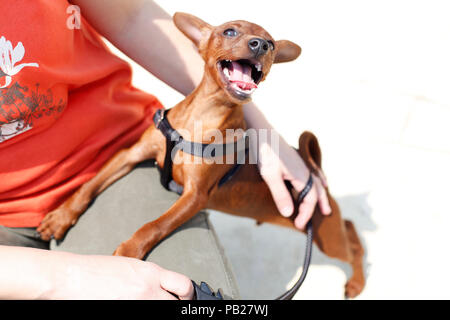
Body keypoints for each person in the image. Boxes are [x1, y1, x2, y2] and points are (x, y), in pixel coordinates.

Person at [0, 0, 331, 299]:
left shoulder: (171, 133)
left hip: (112, 149)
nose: (257, 46)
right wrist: (64, 279)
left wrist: (260, 132)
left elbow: (132, 16)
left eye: (267, 46)